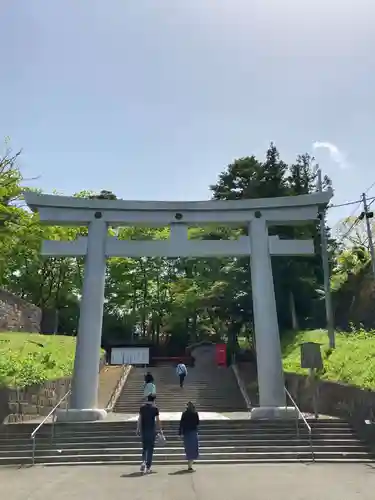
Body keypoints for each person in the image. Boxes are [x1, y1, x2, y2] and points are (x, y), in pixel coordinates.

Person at [136, 394, 162, 474]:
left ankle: (143, 461)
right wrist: (160, 430)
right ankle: (148, 467)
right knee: (150, 449)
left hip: (144, 431)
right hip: (152, 431)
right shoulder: (155, 409)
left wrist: (138, 429)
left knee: (144, 448)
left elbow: (139, 419)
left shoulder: (142, 408)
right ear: (154, 400)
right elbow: (157, 420)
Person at [179, 401, 200, 471]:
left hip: (186, 433)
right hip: (193, 432)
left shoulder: (184, 414)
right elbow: (197, 423)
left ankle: (189, 464)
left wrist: (180, 433)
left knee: (188, 448)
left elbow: (181, 423)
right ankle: (190, 465)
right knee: (194, 448)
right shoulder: (195, 413)